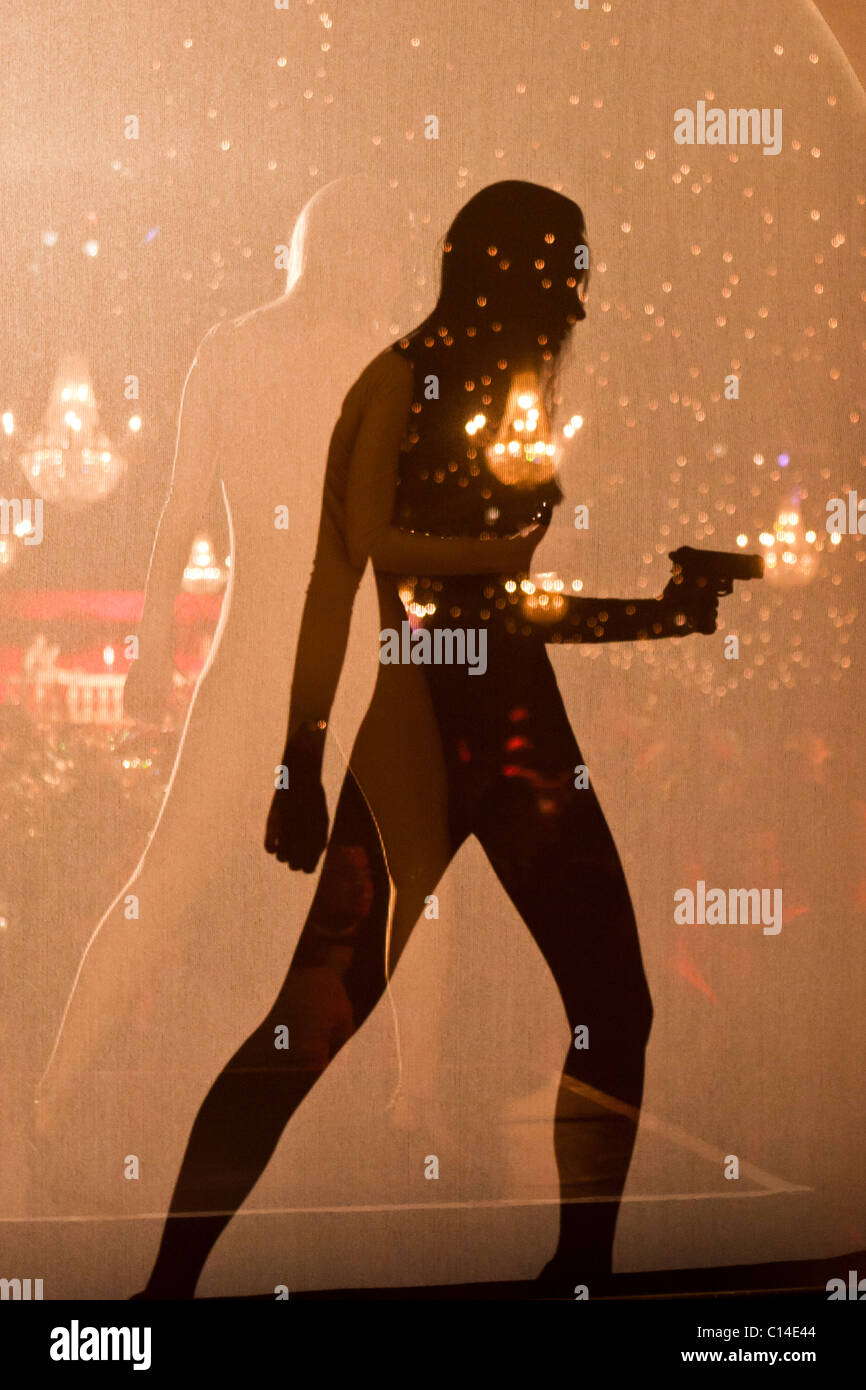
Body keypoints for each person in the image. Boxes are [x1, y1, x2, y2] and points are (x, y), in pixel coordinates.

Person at [134, 180, 721, 1299]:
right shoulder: (402, 386)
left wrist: (655, 612)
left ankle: (168, 1293)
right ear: (512, 274)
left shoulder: (444, 389)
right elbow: (345, 580)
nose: (577, 308)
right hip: (463, 733)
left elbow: (471, 601)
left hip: (460, 727)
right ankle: (168, 1290)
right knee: (319, 1023)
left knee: (321, 1022)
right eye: (563, 277)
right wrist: (296, 762)